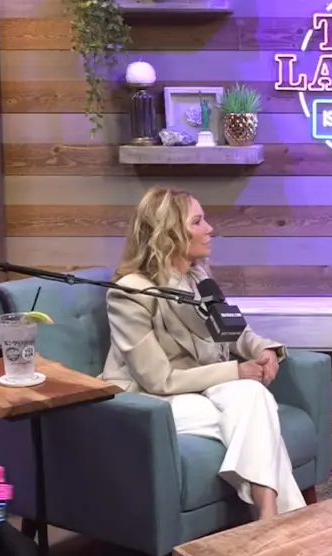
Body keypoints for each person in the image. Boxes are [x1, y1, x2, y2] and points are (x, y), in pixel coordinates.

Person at [100, 186, 306, 519]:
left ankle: (267, 520)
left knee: (253, 400)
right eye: (198, 221)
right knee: (257, 413)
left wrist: (263, 347)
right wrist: (236, 372)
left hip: (203, 387)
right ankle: (277, 523)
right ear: (169, 233)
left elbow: (233, 329)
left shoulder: (199, 278)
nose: (210, 229)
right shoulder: (130, 293)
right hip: (151, 400)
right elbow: (158, 380)